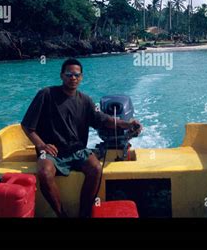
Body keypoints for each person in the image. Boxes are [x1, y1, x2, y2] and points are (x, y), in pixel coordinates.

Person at [21, 58, 142, 217]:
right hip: (52, 152)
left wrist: (127, 124)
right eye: (69, 74)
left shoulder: (85, 101)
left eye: (77, 75)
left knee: (96, 168)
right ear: (62, 76)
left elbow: (103, 120)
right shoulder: (46, 94)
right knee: (44, 172)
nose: (73, 78)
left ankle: (84, 213)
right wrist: (42, 146)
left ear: (81, 77)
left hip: (77, 150)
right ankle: (61, 214)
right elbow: (27, 126)